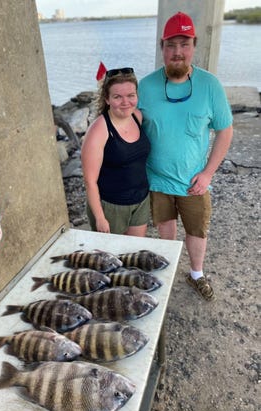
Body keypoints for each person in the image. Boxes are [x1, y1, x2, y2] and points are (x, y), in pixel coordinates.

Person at [138, 12, 233, 300]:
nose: (178, 52)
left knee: (196, 230)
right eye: (171, 45)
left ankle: (196, 273)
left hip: (194, 181)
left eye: (184, 44)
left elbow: (225, 131)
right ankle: (167, 270)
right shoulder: (145, 86)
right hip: (156, 179)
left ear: (194, 45)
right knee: (165, 225)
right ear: (161, 46)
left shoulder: (210, 85)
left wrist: (207, 173)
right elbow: (128, 126)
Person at [81, 67, 151, 236]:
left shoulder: (138, 117)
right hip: (111, 206)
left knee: (133, 253)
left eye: (130, 96)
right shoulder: (99, 130)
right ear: (107, 99)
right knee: (110, 257)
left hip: (141, 201)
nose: (125, 102)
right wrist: (99, 217)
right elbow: (90, 181)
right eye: (117, 97)